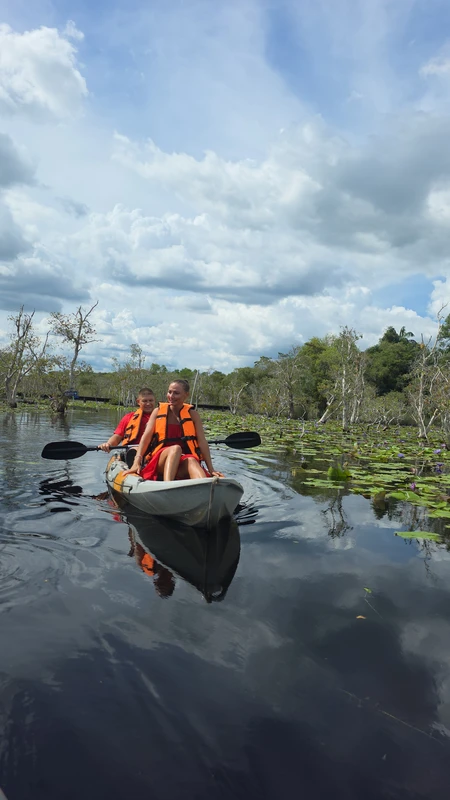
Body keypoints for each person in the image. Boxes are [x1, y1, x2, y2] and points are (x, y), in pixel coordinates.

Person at [124, 379, 224, 481]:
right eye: (170, 392)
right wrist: (137, 461)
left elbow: (202, 442)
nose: (171, 396)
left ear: (186, 395)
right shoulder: (157, 411)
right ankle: (168, 485)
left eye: (176, 393)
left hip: (183, 460)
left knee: (192, 460)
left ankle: (204, 488)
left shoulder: (193, 415)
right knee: (175, 449)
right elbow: (146, 438)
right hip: (160, 460)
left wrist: (211, 469)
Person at [98, 388, 156, 466]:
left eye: (151, 400)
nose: (148, 404)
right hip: (134, 450)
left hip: (154, 450)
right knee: (134, 451)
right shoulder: (129, 417)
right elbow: (117, 436)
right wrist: (108, 444)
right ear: (138, 402)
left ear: (154, 400)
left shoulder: (162, 417)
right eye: (145, 401)